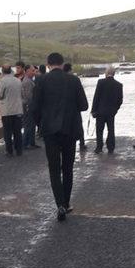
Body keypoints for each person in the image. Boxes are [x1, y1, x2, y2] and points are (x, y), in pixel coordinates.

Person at [33, 52, 88, 221]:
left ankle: (60, 205)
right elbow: (84, 105)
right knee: (68, 168)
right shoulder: (73, 80)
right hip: (70, 130)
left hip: (50, 131)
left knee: (54, 169)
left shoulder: (41, 81)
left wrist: (40, 124)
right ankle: (67, 201)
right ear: (62, 64)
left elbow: (34, 108)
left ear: (48, 64)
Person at [92, 65, 123, 153]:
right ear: (114, 73)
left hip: (100, 111)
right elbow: (120, 100)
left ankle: (99, 147)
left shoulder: (100, 82)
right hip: (111, 112)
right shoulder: (119, 85)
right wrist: (115, 109)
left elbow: (96, 97)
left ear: (106, 73)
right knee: (111, 129)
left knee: (99, 130)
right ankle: (111, 147)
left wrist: (93, 110)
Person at [0, 64, 24, 156]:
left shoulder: (2, 81)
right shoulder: (18, 80)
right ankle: (19, 150)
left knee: (7, 132)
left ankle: (9, 151)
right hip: (18, 110)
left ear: (2, 71)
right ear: (11, 70)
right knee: (17, 131)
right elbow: (22, 94)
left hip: (7, 111)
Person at [63, 63, 87, 152]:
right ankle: (82, 143)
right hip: (75, 110)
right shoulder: (75, 80)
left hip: (63, 112)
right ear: (70, 70)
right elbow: (82, 100)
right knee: (79, 127)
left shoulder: (61, 81)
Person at [21, 64, 40, 149]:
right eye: (32, 71)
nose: (34, 72)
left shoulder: (29, 80)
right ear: (27, 71)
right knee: (28, 125)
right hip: (28, 106)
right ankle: (26, 143)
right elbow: (29, 96)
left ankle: (31, 142)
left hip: (29, 106)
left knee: (32, 125)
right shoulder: (27, 82)